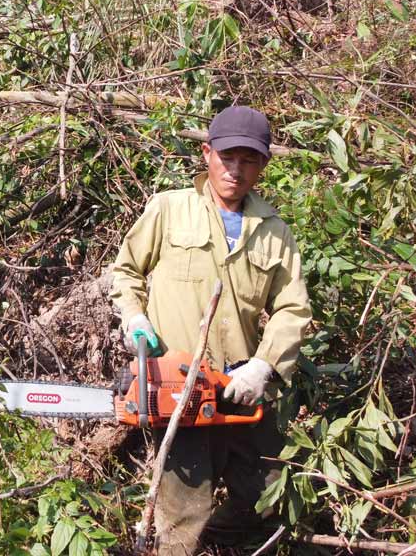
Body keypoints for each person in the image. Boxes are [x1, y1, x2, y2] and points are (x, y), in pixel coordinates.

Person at [110, 105, 312, 555]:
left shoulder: (275, 231)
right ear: (207, 153)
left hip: (240, 387)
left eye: (248, 160)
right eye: (227, 157)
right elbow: (125, 273)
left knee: (269, 491)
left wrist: (265, 365)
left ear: (263, 165)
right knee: (183, 514)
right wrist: (135, 317)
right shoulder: (169, 210)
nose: (235, 170)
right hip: (179, 386)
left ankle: (223, 542)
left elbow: (293, 308)